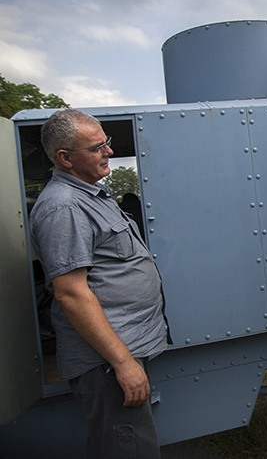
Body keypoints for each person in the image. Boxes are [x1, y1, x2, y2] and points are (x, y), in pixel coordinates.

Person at [30, 109, 170, 459]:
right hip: (107, 360)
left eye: (105, 142)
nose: (108, 151)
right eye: (97, 147)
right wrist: (123, 363)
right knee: (128, 447)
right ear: (65, 158)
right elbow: (71, 294)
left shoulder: (90, 195)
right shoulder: (64, 207)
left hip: (119, 347)